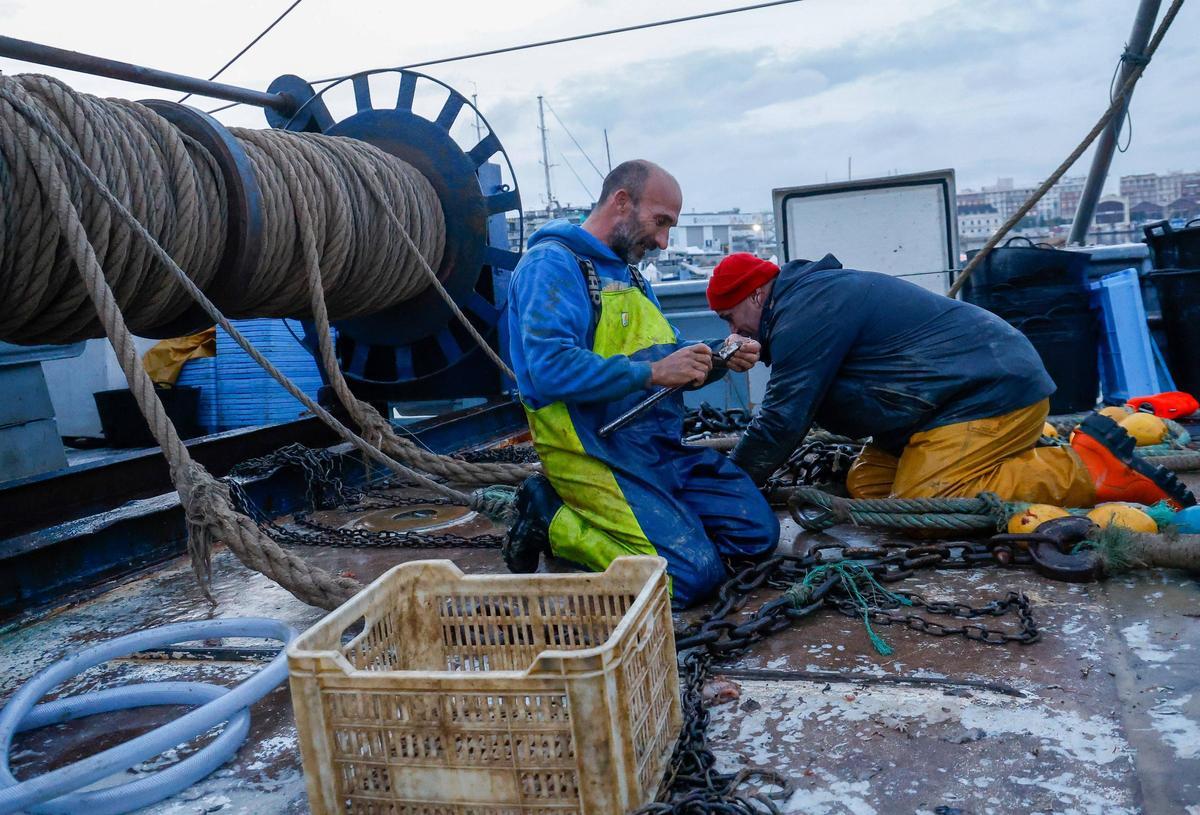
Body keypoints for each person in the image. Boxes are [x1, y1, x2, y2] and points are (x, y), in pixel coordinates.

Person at [706, 252, 1194, 509]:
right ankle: (1020, 456)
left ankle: (1090, 469)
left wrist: (729, 490)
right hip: (933, 410)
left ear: (756, 296)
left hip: (987, 394)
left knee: (924, 502)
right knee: (871, 484)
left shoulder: (805, 311)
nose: (734, 333)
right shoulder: (804, 305)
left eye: (732, 318)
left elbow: (781, 421)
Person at [501, 161, 779, 606]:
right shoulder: (550, 265)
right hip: (594, 454)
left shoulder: (630, 275)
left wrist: (720, 355)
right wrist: (651, 374)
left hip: (655, 448)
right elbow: (547, 369)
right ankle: (551, 516)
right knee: (688, 578)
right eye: (661, 222)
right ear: (622, 201)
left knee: (756, 534)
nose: (665, 241)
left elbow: (666, 354)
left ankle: (659, 526)